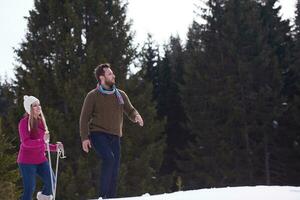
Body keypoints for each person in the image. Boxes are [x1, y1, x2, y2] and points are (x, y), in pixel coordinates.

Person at [80, 63, 144, 199]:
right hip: (98, 134)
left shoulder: (120, 95)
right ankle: (102, 196)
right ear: (101, 78)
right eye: (110, 74)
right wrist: (85, 137)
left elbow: (130, 110)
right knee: (109, 159)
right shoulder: (93, 96)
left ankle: (111, 197)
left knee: (115, 168)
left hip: (115, 136)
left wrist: (136, 116)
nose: (113, 75)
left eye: (112, 73)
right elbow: (84, 118)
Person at [17, 95, 64, 200]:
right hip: (26, 161)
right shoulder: (24, 123)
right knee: (30, 189)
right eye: (35, 106)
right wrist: (42, 140)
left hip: (41, 160)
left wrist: (55, 147)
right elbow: (26, 143)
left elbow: (43, 144)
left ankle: (43, 197)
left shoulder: (41, 121)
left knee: (52, 182)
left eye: (39, 105)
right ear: (29, 108)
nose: (38, 107)